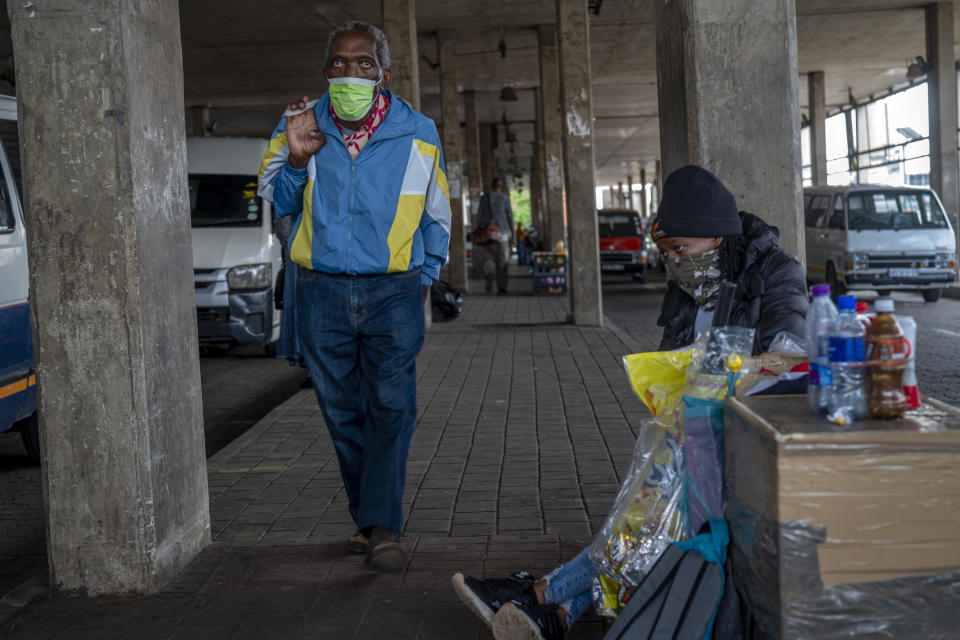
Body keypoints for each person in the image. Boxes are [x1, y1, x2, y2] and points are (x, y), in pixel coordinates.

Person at [450, 164, 808, 638]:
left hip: (751, 432)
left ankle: (540, 595)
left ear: (716, 237)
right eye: (666, 253)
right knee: (652, 507)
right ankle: (556, 614)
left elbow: (790, 358)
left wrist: (725, 380)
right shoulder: (691, 286)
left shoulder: (776, 272)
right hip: (694, 434)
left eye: (680, 249)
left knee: (656, 507)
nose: (674, 261)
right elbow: (674, 356)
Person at [257, 20, 451, 572]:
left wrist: (424, 277)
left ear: (383, 74)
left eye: (363, 63)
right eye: (339, 64)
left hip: (394, 290)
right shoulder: (297, 124)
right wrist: (297, 157)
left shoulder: (418, 132)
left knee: (392, 405)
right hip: (320, 291)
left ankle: (382, 527)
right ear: (325, 73)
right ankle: (369, 518)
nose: (350, 73)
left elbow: (436, 212)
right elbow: (278, 200)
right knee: (341, 410)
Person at [477, 177, 515, 293]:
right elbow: (510, 217)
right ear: (501, 186)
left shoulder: (484, 198)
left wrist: (481, 230)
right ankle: (502, 287)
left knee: (489, 258)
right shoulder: (504, 198)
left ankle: (489, 275)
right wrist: (513, 236)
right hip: (502, 234)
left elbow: (479, 217)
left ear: (492, 186)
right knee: (502, 261)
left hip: (488, 233)